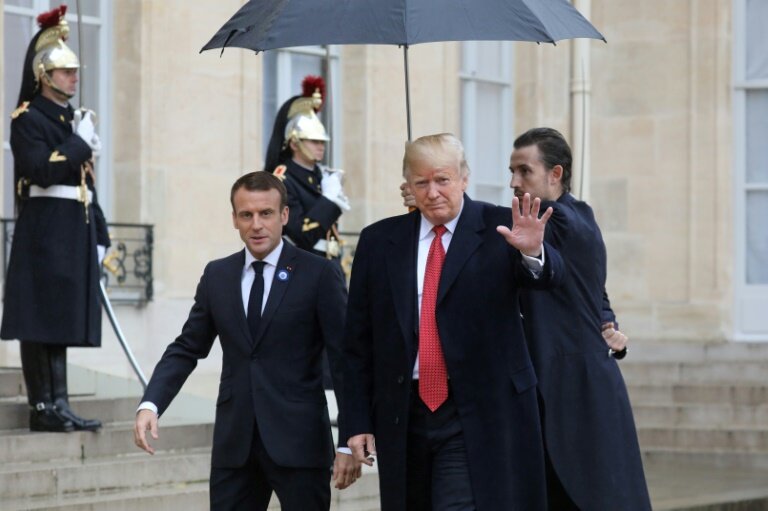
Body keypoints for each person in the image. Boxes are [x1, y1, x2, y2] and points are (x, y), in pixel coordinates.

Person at [343, 133, 565, 510]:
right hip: (404, 413)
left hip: (478, 410)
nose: (432, 192)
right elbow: (357, 343)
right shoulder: (379, 241)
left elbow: (546, 280)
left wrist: (533, 253)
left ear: (464, 178)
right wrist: (355, 420)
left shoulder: (502, 227)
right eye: (422, 182)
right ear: (408, 187)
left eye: (443, 179)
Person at [133, 172, 360, 510]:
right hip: (234, 446)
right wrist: (150, 404)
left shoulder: (319, 274)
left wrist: (348, 442)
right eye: (246, 215)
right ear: (234, 220)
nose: (257, 225)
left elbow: (346, 361)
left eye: (266, 213)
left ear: (284, 216)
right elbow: (187, 348)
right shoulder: (217, 276)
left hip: (299, 444)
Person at [509, 127, 651, 510]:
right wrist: (608, 322)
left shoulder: (564, 222)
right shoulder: (580, 214)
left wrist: (436, 202)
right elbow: (593, 290)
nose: (514, 182)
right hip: (576, 381)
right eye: (512, 171)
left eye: (525, 171)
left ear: (555, 175)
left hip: (577, 394)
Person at [0, 5, 108, 433]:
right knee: (39, 318)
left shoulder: (70, 119)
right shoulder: (27, 119)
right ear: (45, 75)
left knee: (59, 318)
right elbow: (41, 170)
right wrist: (80, 145)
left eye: (75, 71)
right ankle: (41, 407)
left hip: (71, 226)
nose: (74, 77)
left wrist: (99, 232)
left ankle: (59, 402)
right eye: (66, 72)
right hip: (43, 228)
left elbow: (86, 185)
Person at [264, 75, 350, 262]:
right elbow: (302, 235)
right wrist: (329, 199)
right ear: (294, 143)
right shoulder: (282, 180)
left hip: (330, 262)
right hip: (302, 264)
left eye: (322, 141)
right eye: (313, 141)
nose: (321, 146)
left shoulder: (321, 175)